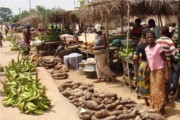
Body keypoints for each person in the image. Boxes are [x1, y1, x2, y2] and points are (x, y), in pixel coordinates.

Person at [145, 30, 170, 115]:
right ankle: (156, 107)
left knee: (160, 90)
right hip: (153, 72)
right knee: (153, 91)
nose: (149, 39)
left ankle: (162, 110)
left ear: (155, 38)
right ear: (145, 38)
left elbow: (165, 60)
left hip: (160, 70)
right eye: (147, 37)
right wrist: (146, 70)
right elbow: (149, 61)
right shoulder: (146, 49)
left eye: (151, 37)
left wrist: (167, 73)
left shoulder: (158, 47)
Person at [156, 27, 179, 100]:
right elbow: (174, 53)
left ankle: (161, 94)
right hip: (167, 62)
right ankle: (166, 95)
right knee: (167, 79)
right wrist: (178, 51)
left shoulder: (157, 40)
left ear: (161, 33)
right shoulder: (169, 41)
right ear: (168, 33)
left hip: (158, 63)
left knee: (160, 78)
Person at [134, 34, 150, 105]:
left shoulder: (140, 45)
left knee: (143, 83)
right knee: (151, 83)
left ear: (142, 37)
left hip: (143, 64)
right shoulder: (152, 44)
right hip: (152, 65)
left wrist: (136, 59)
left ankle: (146, 101)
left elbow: (135, 57)